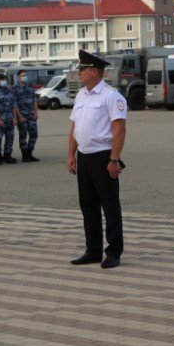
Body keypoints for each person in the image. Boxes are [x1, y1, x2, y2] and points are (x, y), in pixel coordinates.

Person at [67, 50, 128, 269]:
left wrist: (114, 159)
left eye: (82, 69)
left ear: (95, 71)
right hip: (84, 156)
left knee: (110, 206)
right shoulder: (82, 95)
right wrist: (71, 155)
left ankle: (113, 252)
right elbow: (75, 126)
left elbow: (119, 129)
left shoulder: (111, 96)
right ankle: (92, 250)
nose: (79, 73)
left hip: (104, 156)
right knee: (88, 206)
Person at [0, 72, 18, 164]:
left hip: (9, 118)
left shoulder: (9, 90)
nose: (4, 82)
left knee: (10, 138)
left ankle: (8, 155)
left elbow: (13, 105)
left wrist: (14, 118)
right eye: (2, 80)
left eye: (5, 80)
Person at [13, 69, 39, 162]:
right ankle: (24, 155)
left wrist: (36, 113)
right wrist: (19, 117)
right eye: (22, 76)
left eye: (25, 75)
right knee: (23, 135)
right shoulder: (15, 88)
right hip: (22, 115)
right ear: (18, 77)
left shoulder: (30, 87)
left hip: (31, 115)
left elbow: (34, 100)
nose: (24, 77)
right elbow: (14, 104)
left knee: (34, 134)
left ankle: (29, 153)